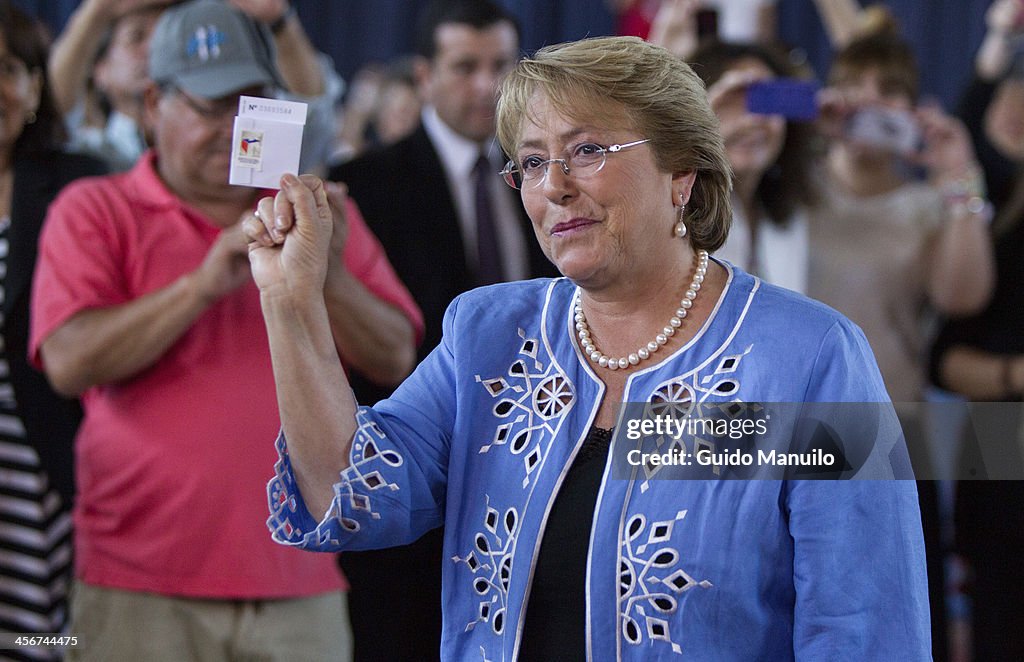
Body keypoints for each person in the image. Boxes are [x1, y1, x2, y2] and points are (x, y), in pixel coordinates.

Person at [253, 35, 930, 660]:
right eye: (533, 161)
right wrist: (289, 304)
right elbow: (350, 496)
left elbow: (865, 624)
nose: (554, 185)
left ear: (681, 173)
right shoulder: (487, 333)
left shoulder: (810, 355)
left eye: (587, 151)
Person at [28, 1, 422, 659]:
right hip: (138, 584)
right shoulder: (93, 208)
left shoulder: (310, 210)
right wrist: (199, 287)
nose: (234, 127)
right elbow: (68, 361)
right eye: (211, 106)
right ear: (153, 103)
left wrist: (326, 271)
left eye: (252, 102)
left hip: (303, 578)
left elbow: (395, 355)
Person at [327, 2, 555, 657]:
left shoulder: (548, 174)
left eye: (501, 66)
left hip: (530, 474)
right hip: (411, 479)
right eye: (465, 67)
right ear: (424, 75)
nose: (487, 85)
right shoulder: (363, 184)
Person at [0, 4, 106, 657]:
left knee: (36, 639)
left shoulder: (78, 184)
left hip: (38, 466)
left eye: (9, 70)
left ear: (37, 87)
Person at [929, 1, 1024, 658]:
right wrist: (998, 37)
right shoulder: (993, 212)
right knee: (997, 619)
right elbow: (945, 359)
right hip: (1000, 445)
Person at [49, 0, 343, 173]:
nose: (156, 49)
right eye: (137, 36)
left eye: (169, 34)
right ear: (98, 69)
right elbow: (47, 121)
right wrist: (97, 12)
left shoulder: (236, 143)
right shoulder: (88, 161)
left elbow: (309, 126)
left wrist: (278, 22)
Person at [690, 40, 818, 293]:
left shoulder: (788, 210)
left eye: (766, 101)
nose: (753, 121)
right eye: (732, 103)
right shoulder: (676, 210)